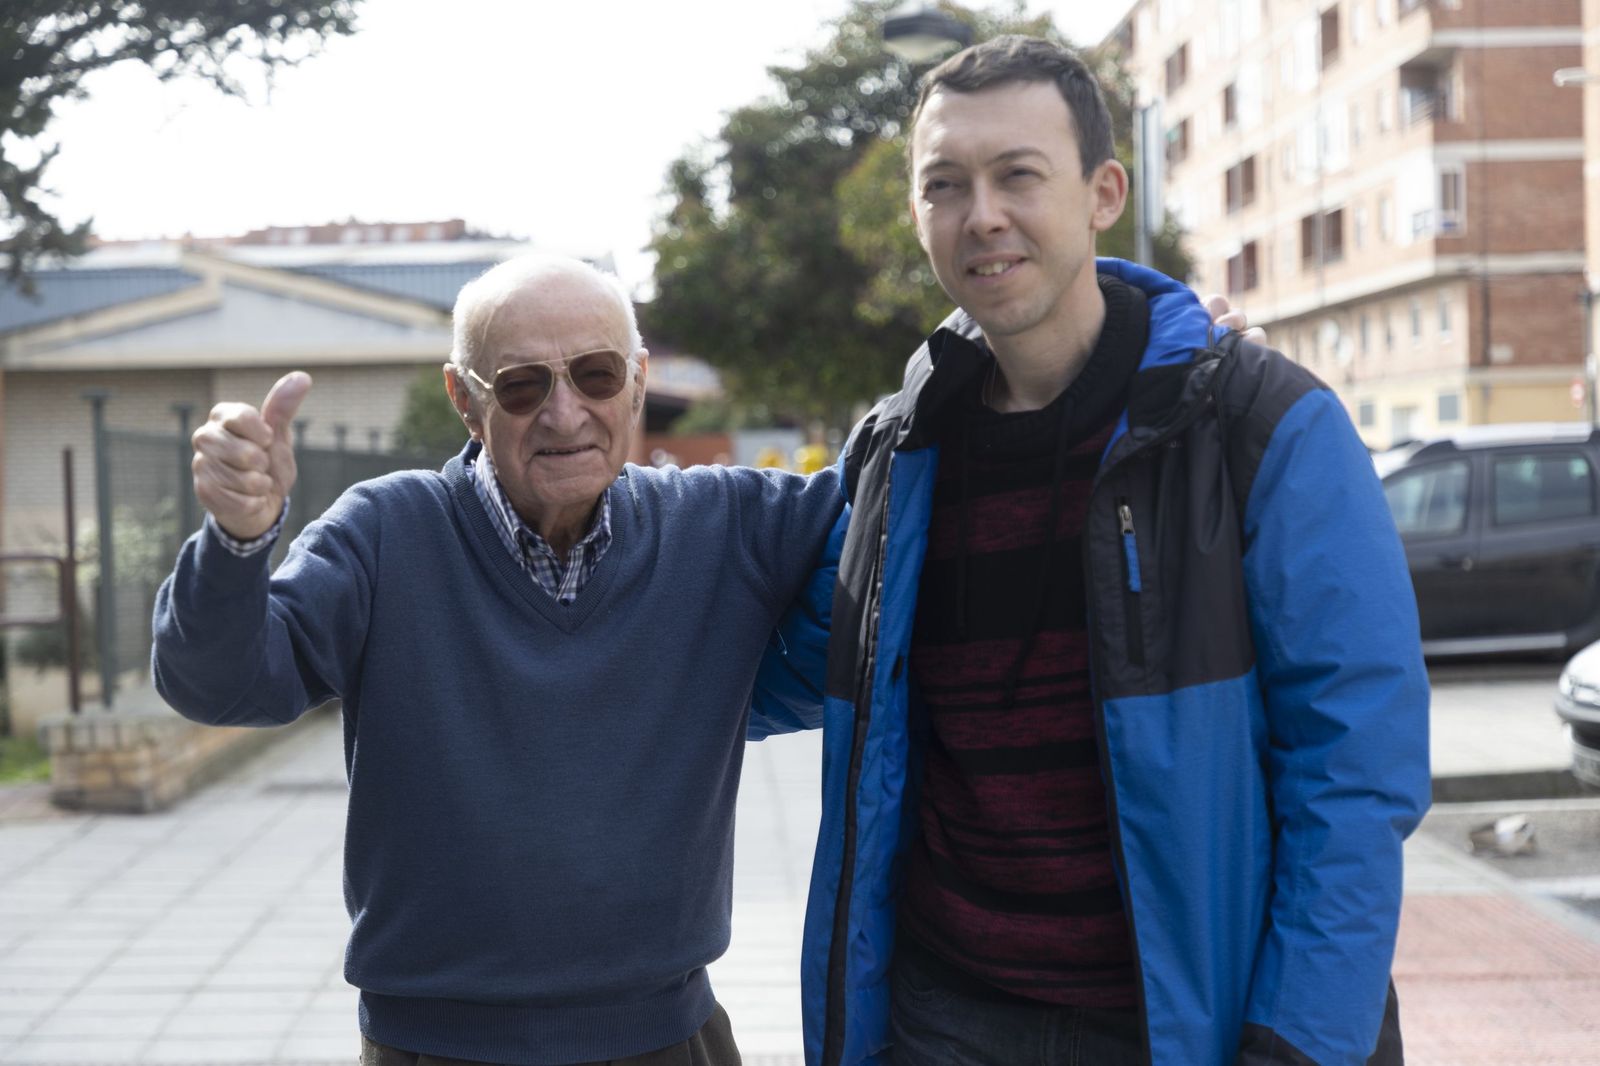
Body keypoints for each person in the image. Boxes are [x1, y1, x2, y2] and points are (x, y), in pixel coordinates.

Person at [796, 35, 1430, 1066]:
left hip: (1180, 1024)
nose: (980, 215)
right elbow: (779, 649)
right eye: (944, 184)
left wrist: (1298, 1042)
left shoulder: (1256, 425)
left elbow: (1355, 774)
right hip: (943, 1017)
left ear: (1103, 193)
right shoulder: (898, 454)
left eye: (1018, 175)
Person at [151, 254, 842, 1065]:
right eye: (521, 385)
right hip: (433, 1048)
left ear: (637, 382)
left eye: (596, 374)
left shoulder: (724, 522)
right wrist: (237, 541)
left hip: (669, 1039)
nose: (564, 413)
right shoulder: (385, 533)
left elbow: (887, 531)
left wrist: (750, 693)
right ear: (465, 400)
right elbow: (221, 683)